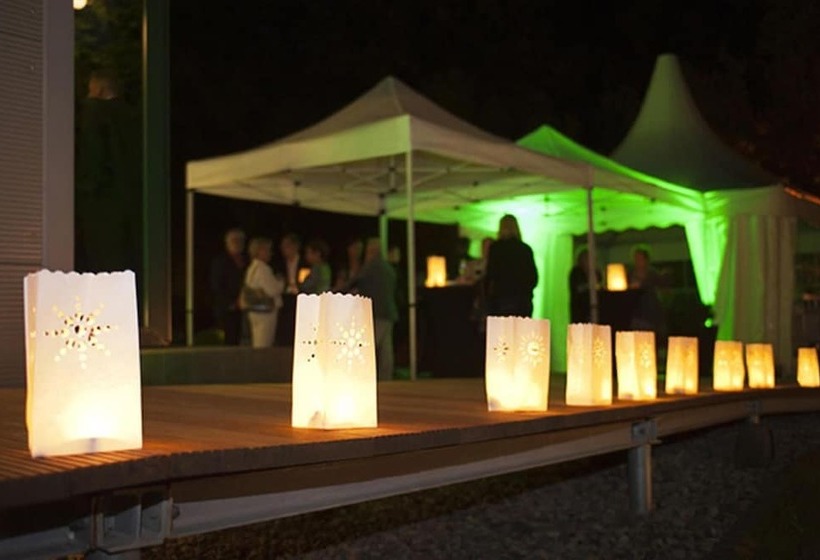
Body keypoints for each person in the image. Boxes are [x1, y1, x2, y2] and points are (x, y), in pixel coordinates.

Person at [75, 69, 141, 276]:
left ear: (100, 90)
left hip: (102, 213)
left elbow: (92, 161)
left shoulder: (94, 114)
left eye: (90, 90)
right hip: (132, 216)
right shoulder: (136, 119)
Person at [346, 237, 399, 380]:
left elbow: (354, 281)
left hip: (376, 311)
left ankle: (364, 377)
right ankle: (386, 377)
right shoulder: (388, 268)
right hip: (389, 311)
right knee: (386, 349)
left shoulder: (370, 267)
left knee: (370, 346)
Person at [483, 214, 538, 317]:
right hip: (522, 300)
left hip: (501, 298)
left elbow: (491, 273)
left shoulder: (496, 248)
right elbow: (533, 277)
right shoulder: (525, 249)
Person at [243, 237, 284, 348]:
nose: (270, 253)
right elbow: (272, 291)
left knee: (257, 341)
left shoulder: (252, 268)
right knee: (264, 343)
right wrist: (280, 282)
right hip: (266, 311)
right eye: (268, 250)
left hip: (254, 310)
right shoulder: (263, 269)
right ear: (260, 251)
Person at [209, 228, 247, 345]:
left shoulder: (246, 260)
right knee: (228, 339)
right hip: (226, 309)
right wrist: (231, 302)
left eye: (240, 241)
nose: (238, 243)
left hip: (243, 307)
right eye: (235, 241)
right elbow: (216, 286)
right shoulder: (220, 261)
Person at [628, 245, 667, 336]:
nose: (637, 261)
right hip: (635, 316)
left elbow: (663, 292)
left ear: (646, 260)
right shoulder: (628, 275)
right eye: (636, 259)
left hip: (651, 316)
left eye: (640, 259)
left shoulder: (653, 275)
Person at [275, 232, 303, 345]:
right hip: (285, 298)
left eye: (287, 246)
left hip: (300, 297)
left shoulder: (305, 262)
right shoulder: (279, 264)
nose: (284, 249)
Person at [569, 246, 602, 323]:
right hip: (580, 309)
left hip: (594, 308)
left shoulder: (595, 272)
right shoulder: (576, 272)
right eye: (586, 259)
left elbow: (600, 283)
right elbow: (578, 288)